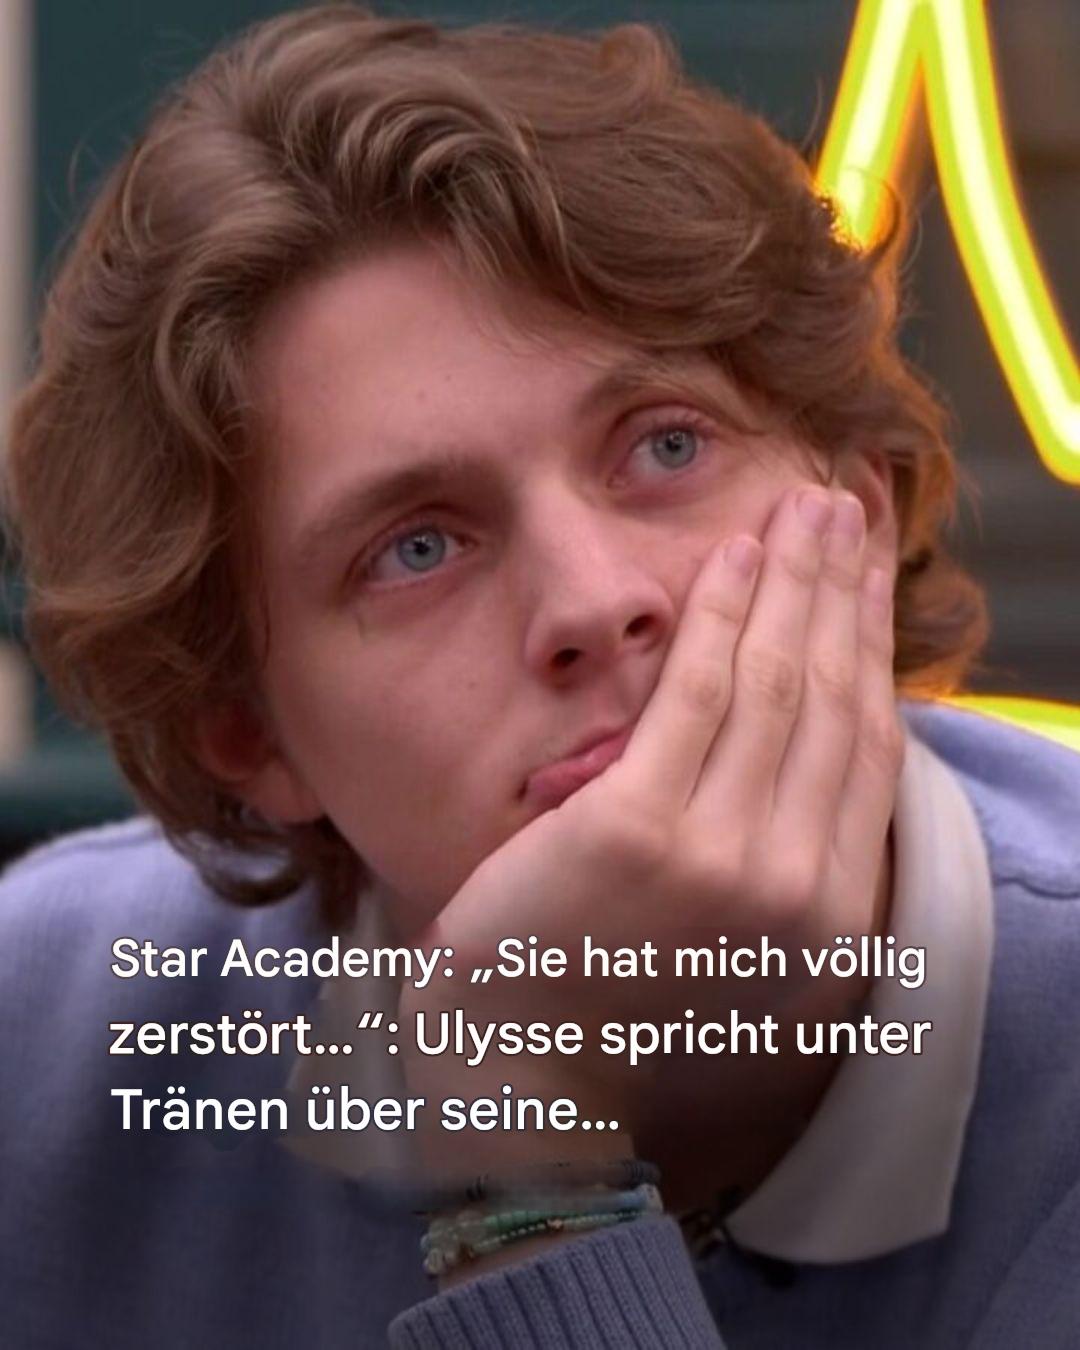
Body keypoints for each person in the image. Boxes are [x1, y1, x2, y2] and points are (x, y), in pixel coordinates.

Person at [2, 6, 1078, 1347]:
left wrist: (531, 1164)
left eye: (667, 446)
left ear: (855, 516)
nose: (592, 600)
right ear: (249, 732)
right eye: (417, 547)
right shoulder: (45, 1035)